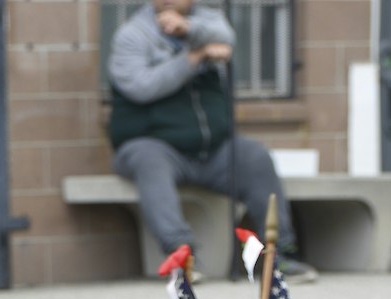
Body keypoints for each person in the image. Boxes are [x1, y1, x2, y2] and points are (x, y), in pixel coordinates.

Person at [107, 0, 317, 281]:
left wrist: (191, 30)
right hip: (153, 144)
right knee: (150, 161)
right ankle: (182, 257)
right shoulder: (132, 34)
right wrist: (193, 59)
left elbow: (225, 37)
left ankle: (280, 255)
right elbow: (141, 87)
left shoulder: (208, 20)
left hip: (213, 149)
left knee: (254, 157)